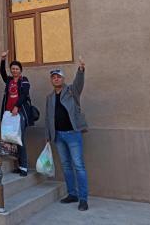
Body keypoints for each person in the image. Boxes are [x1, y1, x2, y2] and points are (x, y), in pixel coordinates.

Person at [44, 58, 89, 211]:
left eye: (58, 76)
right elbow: (48, 117)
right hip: (58, 136)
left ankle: (83, 199)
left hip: (72, 134)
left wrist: (81, 70)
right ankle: (72, 194)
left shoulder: (71, 91)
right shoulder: (49, 98)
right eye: (53, 77)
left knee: (79, 166)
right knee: (66, 166)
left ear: (63, 79)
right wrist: (48, 135)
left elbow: (79, 83)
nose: (56, 78)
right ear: (52, 80)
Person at [0, 51, 30, 176]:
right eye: (13, 69)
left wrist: (17, 106)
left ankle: (24, 167)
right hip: (8, 114)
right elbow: (2, 73)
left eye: (17, 69)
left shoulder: (24, 80)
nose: (15, 70)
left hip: (19, 113)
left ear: (20, 70)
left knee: (20, 139)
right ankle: (18, 165)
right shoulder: (9, 80)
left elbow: (24, 94)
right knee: (11, 139)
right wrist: (3, 60)